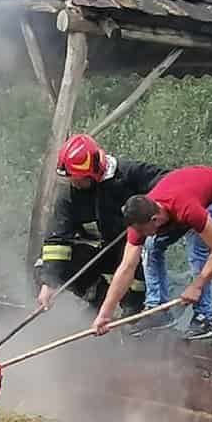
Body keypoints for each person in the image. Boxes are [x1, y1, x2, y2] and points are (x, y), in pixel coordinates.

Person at [93, 166, 212, 341]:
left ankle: (204, 318)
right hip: (187, 199)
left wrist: (196, 286)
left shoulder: (187, 208)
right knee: (150, 246)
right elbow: (127, 267)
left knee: (199, 244)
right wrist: (105, 314)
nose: (141, 235)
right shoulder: (140, 220)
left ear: (155, 220)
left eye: (144, 231)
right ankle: (158, 310)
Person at [37, 133, 169, 314]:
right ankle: (97, 299)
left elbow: (170, 184)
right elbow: (57, 239)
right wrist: (49, 283)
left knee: (137, 276)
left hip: (133, 250)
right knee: (44, 265)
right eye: (71, 179)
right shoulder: (70, 196)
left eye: (79, 179)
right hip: (100, 252)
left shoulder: (129, 174)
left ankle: (133, 313)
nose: (74, 183)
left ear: (95, 173)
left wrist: (147, 213)